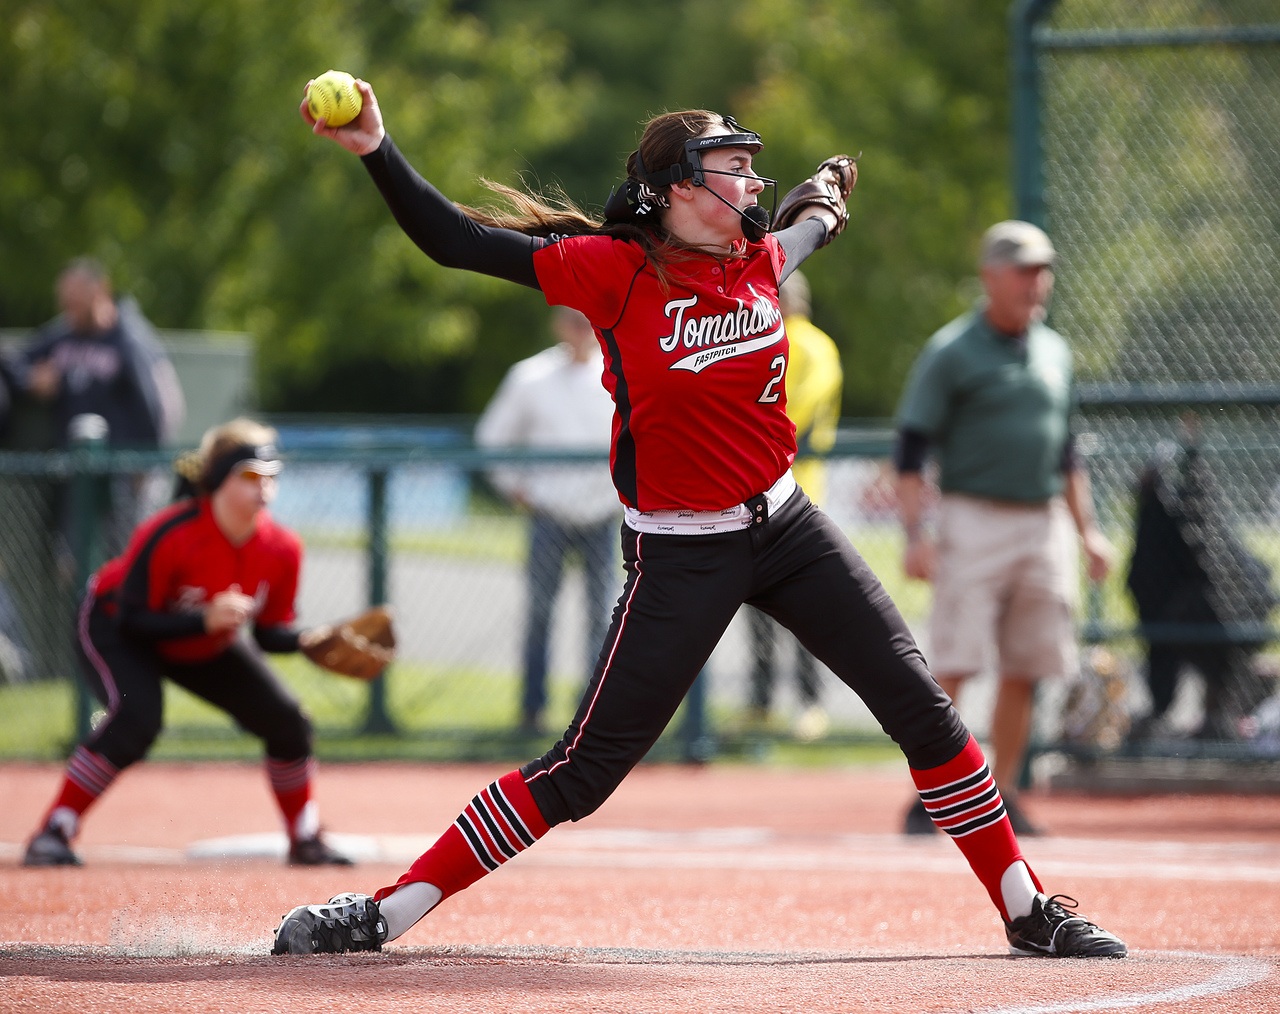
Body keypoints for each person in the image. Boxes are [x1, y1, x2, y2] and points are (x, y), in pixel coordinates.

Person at [272, 78, 1126, 959]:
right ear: (680, 187)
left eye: (756, 171)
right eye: (734, 168)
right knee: (582, 772)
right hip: (682, 552)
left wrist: (828, 196)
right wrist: (376, 147)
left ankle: (1027, 909)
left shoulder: (760, 258)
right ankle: (385, 913)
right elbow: (454, 241)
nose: (753, 185)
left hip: (788, 530)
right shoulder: (613, 270)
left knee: (929, 717)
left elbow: (810, 223)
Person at [22, 417, 353, 868]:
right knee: (137, 719)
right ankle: (54, 830)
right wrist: (204, 618)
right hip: (116, 625)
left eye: (271, 477)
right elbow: (133, 620)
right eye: (250, 476)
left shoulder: (283, 548)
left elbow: (268, 633)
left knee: (288, 720)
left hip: (203, 641)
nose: (264, 487)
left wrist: (310, 641)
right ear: (217, 481)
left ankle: (305, 836)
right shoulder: (170, 533)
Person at [894, 220, 1114, 838]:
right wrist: (916, 534)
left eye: (1042, 269)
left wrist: (1089, 531)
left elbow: (1067, 452)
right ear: (991, 277)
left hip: (1042, 521)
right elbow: (911, 447)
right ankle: (933, 793)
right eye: (1022, 269)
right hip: (973, 515)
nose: (1035, 282)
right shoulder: (952, 350)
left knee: (1028, 662)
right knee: (956, 659)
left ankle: (1006, 792)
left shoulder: (1055, 350)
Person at [476, 306, 620, 735]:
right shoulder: (531, 377)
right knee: (540, 612)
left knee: (604, 614)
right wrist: (515, 487)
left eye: (588, 321)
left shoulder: (618, 374)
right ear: (559, 324)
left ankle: (591, 712)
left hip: (602, 514)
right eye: (573, 321)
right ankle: (531, 710)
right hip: (550, 512)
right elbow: (492, 438)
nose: (581, 330)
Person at [15, 257, 186, 556]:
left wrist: (147, 460)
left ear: (99, 291)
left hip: (125, 472)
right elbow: (14, 359)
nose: (70, 310)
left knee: (127, 558)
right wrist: (31, 378)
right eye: (65, 302)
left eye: (76, 301)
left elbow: (161, 406)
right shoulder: (62, 336)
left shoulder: (132, 338)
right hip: (78, 473)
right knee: (72, 560)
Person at [745, 269, 842, 740]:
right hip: (769, 490)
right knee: (765, 608)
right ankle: (764, 702)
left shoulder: (807, 344)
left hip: (795, 490)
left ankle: (809, 703)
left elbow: (793, 417)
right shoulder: (790, 341)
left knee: (798, 607)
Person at [1127, 435, 1275, 741]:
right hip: (1178, 610)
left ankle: (1218, 720)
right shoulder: (1157, 535)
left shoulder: (1208, 530)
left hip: (1222, 614)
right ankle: (1178, 720)